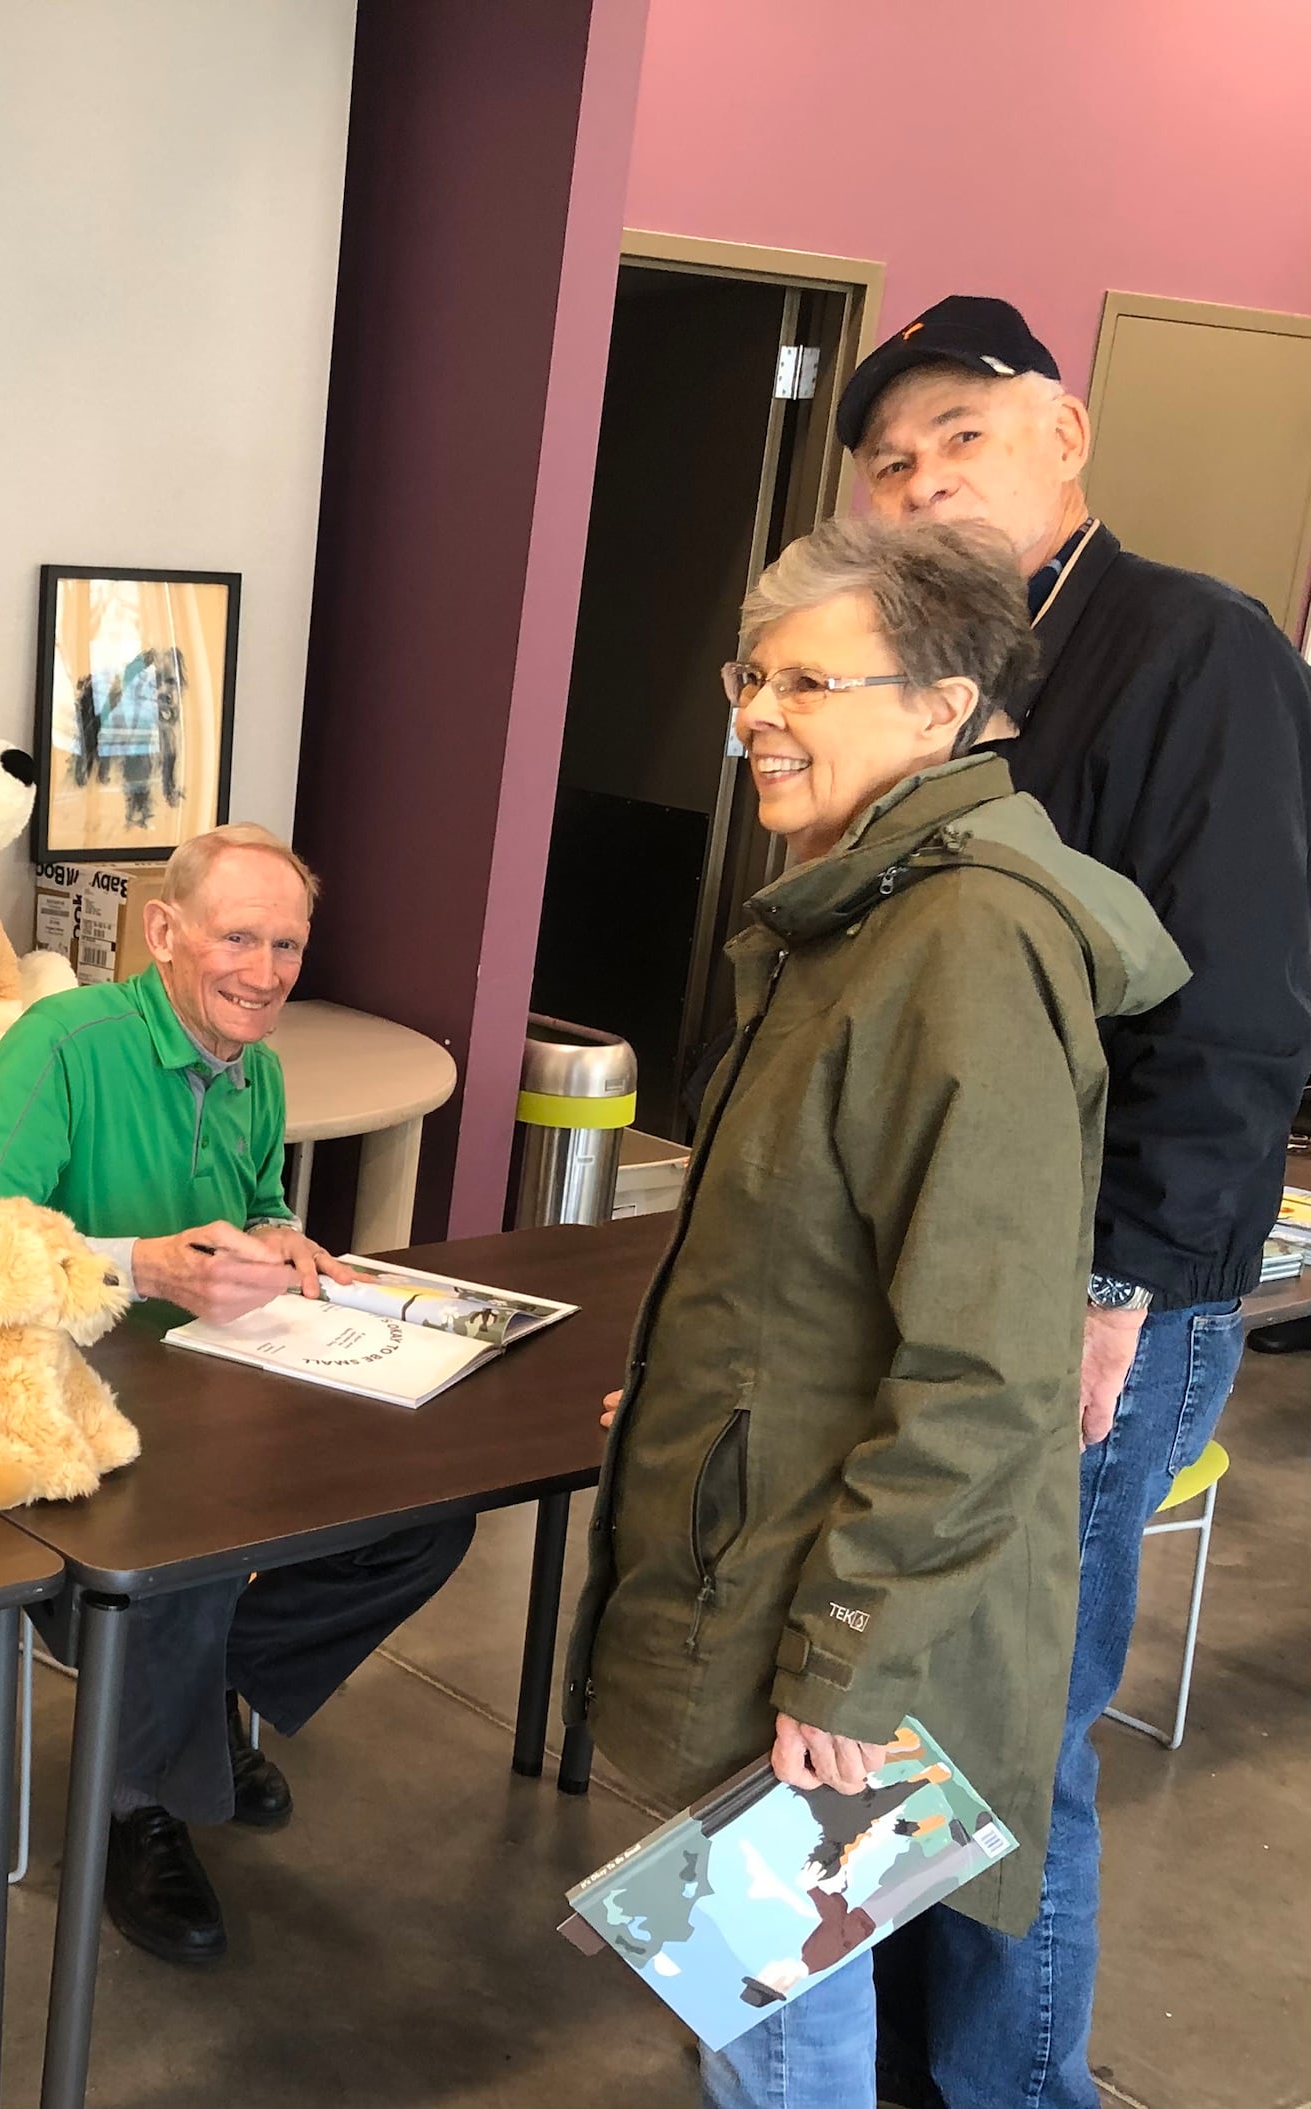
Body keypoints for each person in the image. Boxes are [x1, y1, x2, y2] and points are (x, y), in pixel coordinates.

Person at [562, 517, 1188, 2109]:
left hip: (820, 1588)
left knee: (777, 2007)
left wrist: (851, 1653)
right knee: (766, 1984)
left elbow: (987, 1365)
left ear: (941, 705)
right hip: (771, 1524)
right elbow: (813, 1261)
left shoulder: (963, 937)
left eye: (806, 680)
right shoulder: (862, 908)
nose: (756, 713)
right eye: (750, 675)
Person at [836, 295, 1311, 2108]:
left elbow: (1245, 1000)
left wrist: (1116, 1284)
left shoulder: (1194, 648)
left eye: (964, 431)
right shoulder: (934, 671)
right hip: (944, 1269)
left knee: (1012, 1728)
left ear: (1067, 436)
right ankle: (882, 2064)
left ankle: (1004, 2089)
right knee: (901, 1698)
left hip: (1093, 1290)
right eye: (891, 459)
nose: (925, 473)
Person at [0, 822, 473, 1964]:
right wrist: (142, 1265)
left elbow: (259, 1201)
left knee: (426, 1514)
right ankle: (139, 1810)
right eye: (237, 939)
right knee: (185, 1543)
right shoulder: (65, 1042)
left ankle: (191, 1703)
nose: (263, 973)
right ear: (164, 933)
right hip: (40, 1394)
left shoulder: (255, 1066)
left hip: (205, 1382)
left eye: (288, 946)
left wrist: (283, 1242)